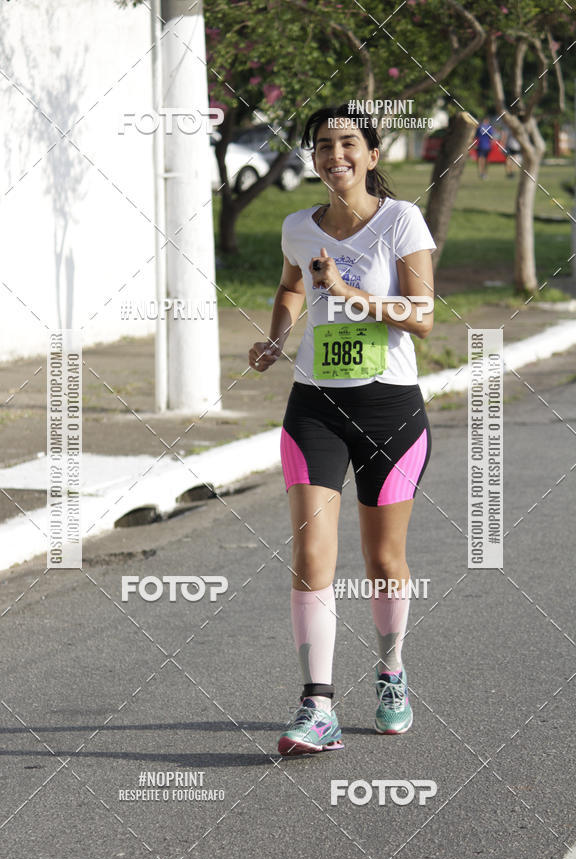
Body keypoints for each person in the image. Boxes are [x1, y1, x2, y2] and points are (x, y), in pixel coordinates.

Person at [248, 102, 436, 755]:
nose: (336, 156)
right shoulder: (299, 228)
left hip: (390, 409)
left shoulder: (400, 221)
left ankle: (391, 675)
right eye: (323, 145)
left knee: (383, 560)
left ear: (373, 155)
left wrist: (355, 295)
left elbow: (423, 316)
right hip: (315, 409)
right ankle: (317, 706)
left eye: (349, 143)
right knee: (310, 557)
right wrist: (275, 340)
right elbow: (290, 289)